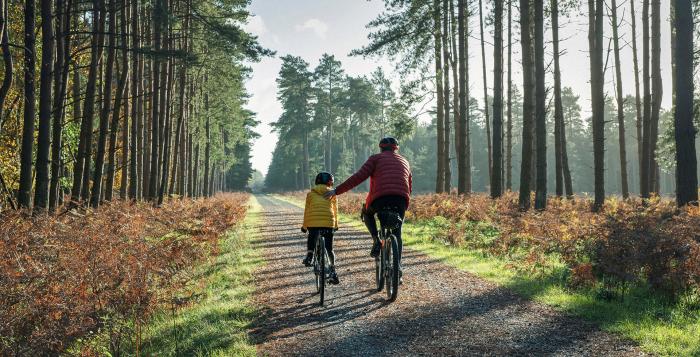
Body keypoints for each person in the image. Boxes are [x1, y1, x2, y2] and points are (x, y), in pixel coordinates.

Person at [324, 137, 412, 275]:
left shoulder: (375, 159)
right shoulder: (405, 161)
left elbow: (358, 177)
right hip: (400, 199)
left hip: (380, 199)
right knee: (397, 232)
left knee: (367, 211)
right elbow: (409, 185)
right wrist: (404, 204)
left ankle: (376, 239)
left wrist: (336, 191)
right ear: (396, 148)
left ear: (381, 148)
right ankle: (398, 267)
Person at [301, 172, 339, 284]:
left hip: (313, 222)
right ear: (330, 182)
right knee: (329, 248)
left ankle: (309, 255)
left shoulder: (310, 194)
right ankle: (333, 270)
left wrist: (304, 226)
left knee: (312, 236)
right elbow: (335, 211)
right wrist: (336, 225)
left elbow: (307, 211)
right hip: (328, 222)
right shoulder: (332, 194)